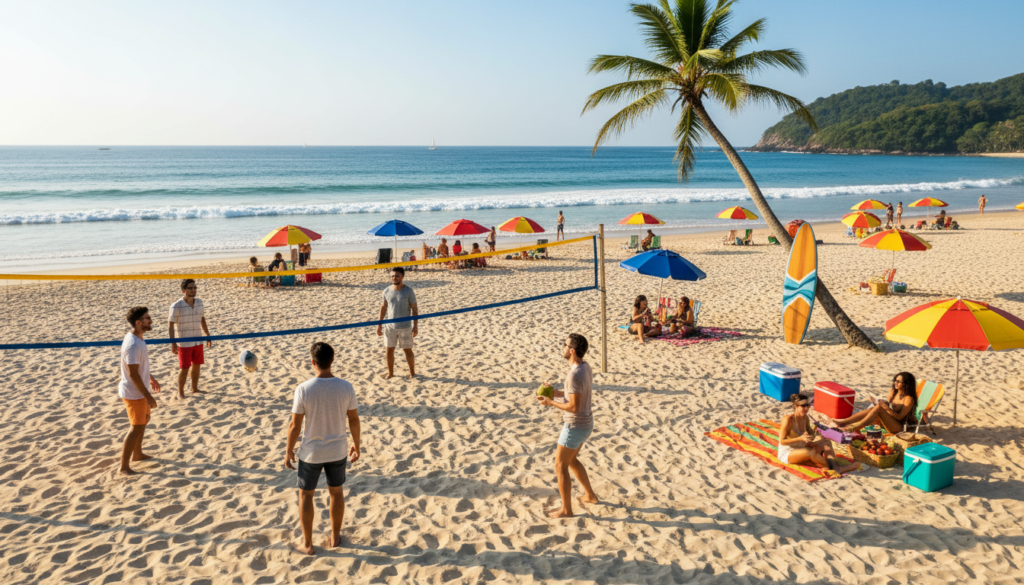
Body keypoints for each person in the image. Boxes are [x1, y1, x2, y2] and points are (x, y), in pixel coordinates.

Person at [285, 342, 361, 555]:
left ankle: (308, 544)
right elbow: (354, 419)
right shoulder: (346, 387)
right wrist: (357, 444)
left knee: (306, 496)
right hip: (337, 450)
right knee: (336, 493)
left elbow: (295, 425)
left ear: (313, 362)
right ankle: (335, 537)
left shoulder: (303, 389)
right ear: (332, 361)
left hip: (311, 452)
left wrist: (288, 449)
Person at [536, 333, 598, 518]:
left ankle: (566, 510)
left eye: (565, 345)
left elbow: (573, 406)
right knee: (572, 461)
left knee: (560, 465)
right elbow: (574, 395)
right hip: (586, 423)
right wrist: (554, 393)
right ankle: (591, 495)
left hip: (575, 426)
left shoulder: (573, 375)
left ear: (572, 351)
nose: (562, 347)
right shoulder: (585, 367)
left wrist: (550, 402)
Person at [119, 306, 161, 475]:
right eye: (147, 318)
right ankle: (124, 467)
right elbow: (133, 374)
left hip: (139, 390)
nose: (150, 320)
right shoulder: (133, 344)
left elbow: (139, 367)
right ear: (138, 323)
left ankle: (137, 454)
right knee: (136, 427)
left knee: (143, 421)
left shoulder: (137, 337)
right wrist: (148, 396)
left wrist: (150, 377)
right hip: (133, 393)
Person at [779, 394, 858, 473]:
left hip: (801, 447)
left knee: (826, 442)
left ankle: (833, 466)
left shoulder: (805, 418)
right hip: (788, 452)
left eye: (808, 405)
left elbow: (811, 434)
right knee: (811, 452)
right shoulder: (788, 419)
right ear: (796, 406)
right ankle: (831, 466)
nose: (806, 408)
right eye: (803, 406)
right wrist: (800, 438)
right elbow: (782, 441)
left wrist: (815, 434)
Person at [169, 279, 212, 399]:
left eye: (194, 288)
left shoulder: (199, 302)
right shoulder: (176, 305)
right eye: (190, 288)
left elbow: (202, 319)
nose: (193, 290)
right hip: (184, 342)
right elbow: (171, 325)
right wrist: (173, 343)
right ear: (183, 290)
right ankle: (181, 393)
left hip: (198, 339)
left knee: (197, 365)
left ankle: (194, 389)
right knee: (184, 368)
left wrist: (207, 335)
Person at [834, 372, 918, 433]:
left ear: (906, 384)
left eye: (898, 381)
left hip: (900, 427)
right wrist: (878, 402)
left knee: (880, 408)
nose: (895, 383)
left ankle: (857, 425)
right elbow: (889, 407)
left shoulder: (908, 399)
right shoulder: (893, 392)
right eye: (895, 380)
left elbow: (899, 417)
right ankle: (843, 422)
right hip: (889, 421)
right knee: (874, 408)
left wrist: (886, 407)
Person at [377, 266, 418, 379]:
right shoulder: (386, 291)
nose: (394, 278)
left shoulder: (408, 291)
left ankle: (412, 373)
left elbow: (414, 309)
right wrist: (379, 324)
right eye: (392, 276)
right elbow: (383, 307)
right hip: (390, 327)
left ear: (402, 277)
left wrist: (415, 326)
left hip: (405, 327)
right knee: (389, 350)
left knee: (408, 350)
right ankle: (390, 373)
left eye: (396, 276)